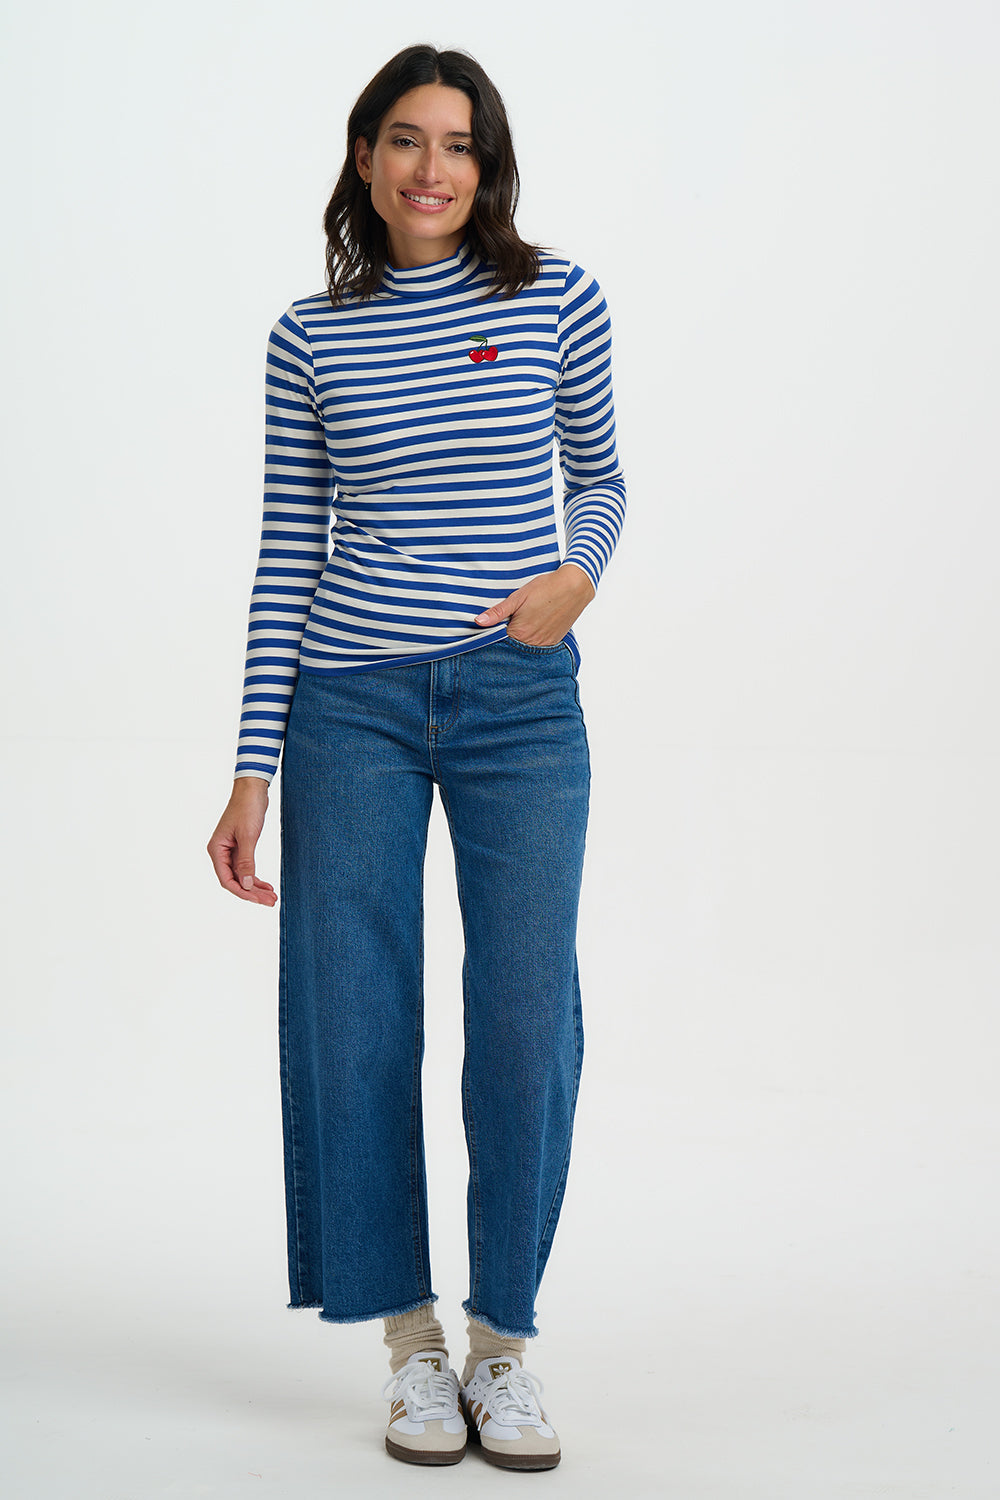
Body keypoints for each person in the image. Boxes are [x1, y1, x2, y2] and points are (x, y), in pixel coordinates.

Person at [207, 42, 626, 1472]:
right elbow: (287, 554)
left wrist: (576, 579)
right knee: (355, 1014)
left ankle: (504, 1343)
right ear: (366, 158)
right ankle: (410, 1348)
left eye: (456, 143)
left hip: (521, 702)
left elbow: (603, 478)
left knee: (525, 1015)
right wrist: (251, 767)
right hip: (350, 707)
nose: (430, 167)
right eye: (404, 139)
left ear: (486, 164)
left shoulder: (556, 296)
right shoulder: (308, 336)